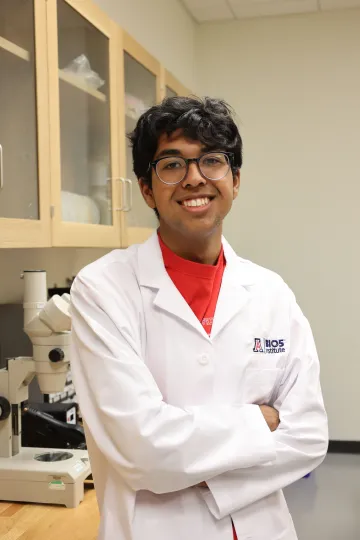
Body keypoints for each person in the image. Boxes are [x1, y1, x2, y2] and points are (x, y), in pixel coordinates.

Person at [70, 96, 328, 540]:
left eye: (212, 161)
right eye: (172, 165)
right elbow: (143, 448)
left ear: (235, 179)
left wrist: (191, 466)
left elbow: (309, 436)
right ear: (146, 188)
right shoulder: (102, 289)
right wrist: (259, 421)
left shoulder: (271, 294)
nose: (194, 179)